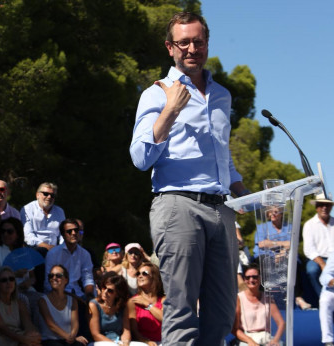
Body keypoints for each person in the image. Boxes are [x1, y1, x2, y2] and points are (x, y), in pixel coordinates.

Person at [128, 11, 249, 344]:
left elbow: (223, 157)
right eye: (183, 43)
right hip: (178, 206)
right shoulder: (157, 94)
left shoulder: (222, 96)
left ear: (207, 43)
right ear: (170, 48)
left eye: (198, 41)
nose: (191, 48)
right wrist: (170, 110)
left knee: (223, 311)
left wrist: (245, 193)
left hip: (221, 210)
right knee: (181, 311)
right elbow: (139, 158)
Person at [303, 194, 334, 301]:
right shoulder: (309, 225)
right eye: (321, 205)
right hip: (318, 259)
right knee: (312, 271)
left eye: (327, 205)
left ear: (331, 207)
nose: (324, 207)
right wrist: (322, 263)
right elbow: (309, 250)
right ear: (316, 207)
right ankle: (322, 299)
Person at [0, 266, 42, 346]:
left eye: (11, 279)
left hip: (16, 337)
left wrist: (32, 335)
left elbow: (28, 324)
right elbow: (1, 327)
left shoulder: (19, 302)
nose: (8, 282)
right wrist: (23, 339)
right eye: (4, 280)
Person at [232, 264, 285, 346]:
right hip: (247, 338)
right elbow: (235, 329)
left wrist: (275, 340)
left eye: (255, 277)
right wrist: (250, 341)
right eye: (248, 277)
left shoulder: (268, 298)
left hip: (266, 338)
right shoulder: (239, 298)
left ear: (260, 279)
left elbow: (281, 323)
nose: (251, 279)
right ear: (244, 280)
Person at [44, 219, 94, 301]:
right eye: (69, 231)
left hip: (78, 295)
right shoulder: (53, 253)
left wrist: (89, 297)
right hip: (56, 295)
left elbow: (87, 278)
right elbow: (48, 282)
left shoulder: (85, 254)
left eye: (76, 230)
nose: (74, 233)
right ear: (63, 235)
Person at [38, 265, 88, 346]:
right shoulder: (43, 301)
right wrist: (68, 337)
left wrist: (72, 337)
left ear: (66, 280)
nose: (54, 278)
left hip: (67, 340)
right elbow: (51, 325)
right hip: (50, 341)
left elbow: (75, 323)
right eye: (51, 275)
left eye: (58, 276)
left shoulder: (72, 300)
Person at [0, 218, 37, 293]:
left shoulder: (25, 251)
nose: (5, 234)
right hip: (4, 291)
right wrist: (15, 274)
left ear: (18, 234)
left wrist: (29, 282)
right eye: (3, 231)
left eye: (9, 232)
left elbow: (33, 277)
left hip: (25, 290)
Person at [88, 272, 133, 345]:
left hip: (118, 341)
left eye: (110, 291)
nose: (105, 292)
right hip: (100, 342)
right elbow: (95, 335)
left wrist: (126, 343)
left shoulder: (122, 305)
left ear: (118, 294)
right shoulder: (94, 305)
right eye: (104, 287)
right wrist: (114, 344)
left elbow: (126, 331)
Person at [128, 262, 165, 345]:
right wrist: (146, 341)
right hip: (143, 343)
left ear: (154, 277)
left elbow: (165, 319)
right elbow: (134, 330)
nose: (140, 276)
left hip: (164, 341)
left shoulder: (163, 300)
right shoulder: (133, 301)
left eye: (144, 273)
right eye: (138, 274)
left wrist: (148, 305)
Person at [20, 182, 65, 250]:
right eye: (46, 194)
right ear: (37, 195)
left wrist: (62, 247)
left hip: (55, 250)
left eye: (52, 195)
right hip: (33, 249)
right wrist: (47, 247)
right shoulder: (27, 209)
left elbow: (63, 234)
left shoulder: (59, 211)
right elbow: (28, 235)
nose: (49, 197)